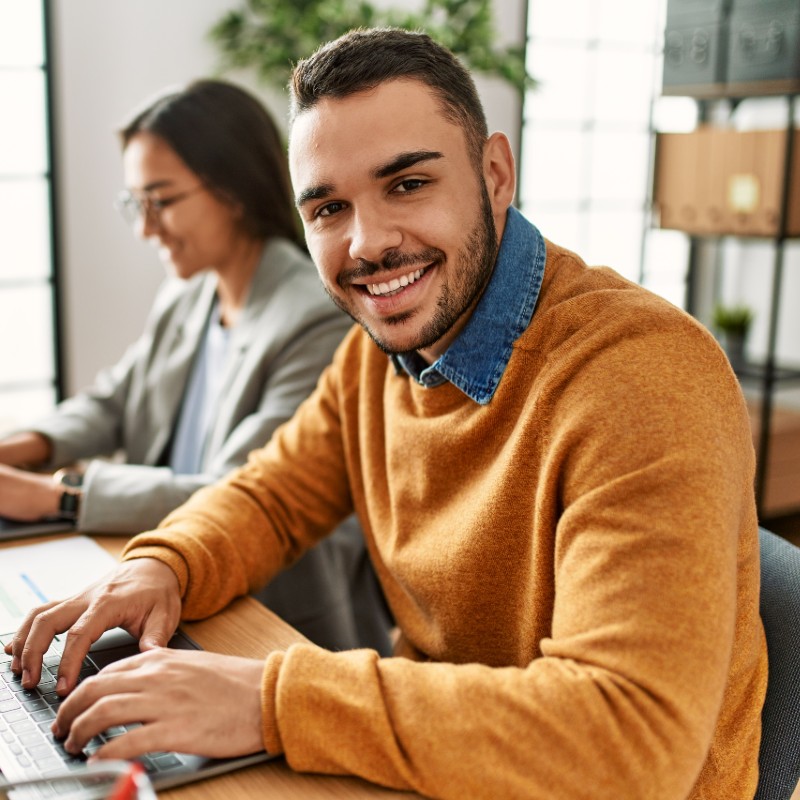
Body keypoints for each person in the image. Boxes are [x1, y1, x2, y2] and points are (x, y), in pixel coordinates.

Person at [7, 29, 766, 800]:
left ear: (494, 173)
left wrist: (271, 701)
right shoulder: (380, 355)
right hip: (437, 771)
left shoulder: (639, 377)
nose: (368, 244)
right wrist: (163, 565)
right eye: (330, 207)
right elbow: (269, 497)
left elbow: (631, 743)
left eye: (407, 184)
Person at [0, 79, 391, 653]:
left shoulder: (316, 316)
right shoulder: (190, 295)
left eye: (161, 200)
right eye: (136, 203)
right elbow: (113, 402)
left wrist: (60, 497)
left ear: (232, 189)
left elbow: (237, 494)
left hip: (271, 620)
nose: (145, 228)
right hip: (169, 577)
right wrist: (19, 449)